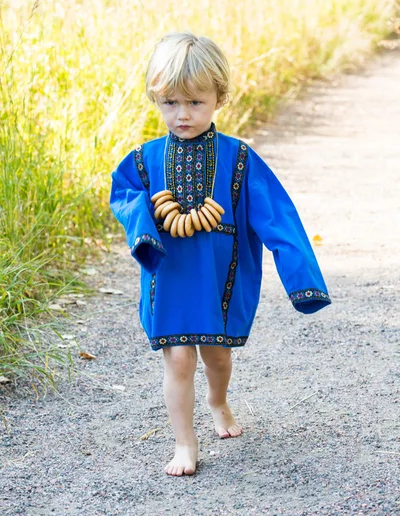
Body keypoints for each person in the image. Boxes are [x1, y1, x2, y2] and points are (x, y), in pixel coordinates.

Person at [109, 31, 331, 477]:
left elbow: (277, 217)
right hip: (168, 272)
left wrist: (301, 278)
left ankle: (218, 401)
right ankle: (184, 443)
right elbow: (126, 195)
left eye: (195, 102)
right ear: (155, 98)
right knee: (178, 357)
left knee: (217, 356)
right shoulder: (143, 159)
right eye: (170, 102)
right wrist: (143, 229)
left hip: (219, 277)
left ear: (219, 98)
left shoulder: (239, 158)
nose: (182, 114)